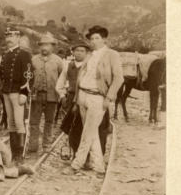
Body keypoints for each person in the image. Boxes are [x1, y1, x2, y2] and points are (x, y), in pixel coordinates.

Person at [69, 25, 123, 177]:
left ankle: (76, 164)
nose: (93, 41)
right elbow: (81, 76)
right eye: (92, 38)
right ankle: (99, 166)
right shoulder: (90, 55)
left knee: (87, 133)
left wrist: (109, 97)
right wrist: (76, 99)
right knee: (91, 133)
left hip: (97, 97)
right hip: (83, 96)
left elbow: (119, 78)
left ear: (104, 39)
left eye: (97, 38)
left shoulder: (112, 55)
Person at [0, 26, 33, 165]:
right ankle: (14, 153)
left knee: (19, 123)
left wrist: (25, 92)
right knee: (11, 124)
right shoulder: (6, 55)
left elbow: (29, 74)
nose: (9, 39)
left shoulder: (24, 54)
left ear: (18, 38)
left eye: (12, 36)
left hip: (18, 92)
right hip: (7, 92)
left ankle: (20, 154)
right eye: (7, 37)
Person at [30, 35, 64, 153]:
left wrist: (61, 93)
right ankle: (33, 145)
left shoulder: (58, 61)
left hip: (52, 96)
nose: (44, 47)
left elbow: (62, 78)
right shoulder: (33, 60)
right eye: (42, 45)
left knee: (49, 121)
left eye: (47, 45)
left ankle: (46, 145)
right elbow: (28, 77)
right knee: (34, 122)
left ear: (52, 47)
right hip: (36, 96)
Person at [56, 41, 90, 117]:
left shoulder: (90, 66)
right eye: (77, 50)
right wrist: (62, 96)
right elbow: (60, 83)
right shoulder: (67, 66)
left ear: (86, 53)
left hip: (85, 98)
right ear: (73, 52)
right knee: (68, 123)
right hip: (70, 98)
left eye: (82, 51)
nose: (79, 53)